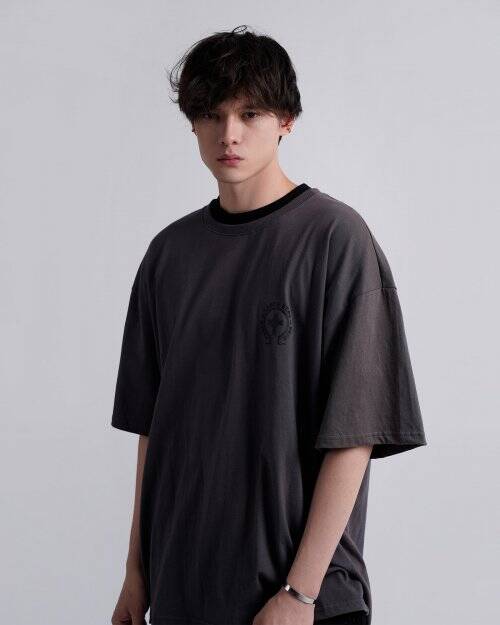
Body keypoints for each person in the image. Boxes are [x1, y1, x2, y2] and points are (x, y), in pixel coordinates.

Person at [110, 25, 427, 625]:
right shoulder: (168, 255)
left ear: (286, 121)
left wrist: (300, 593)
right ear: (193, 124)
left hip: (302, 600)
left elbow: (355, 435)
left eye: (249, 113)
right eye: (211, 115)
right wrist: (136, 571)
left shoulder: (335, 239)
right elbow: (153, 431)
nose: (228, 134)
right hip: (185, 590)